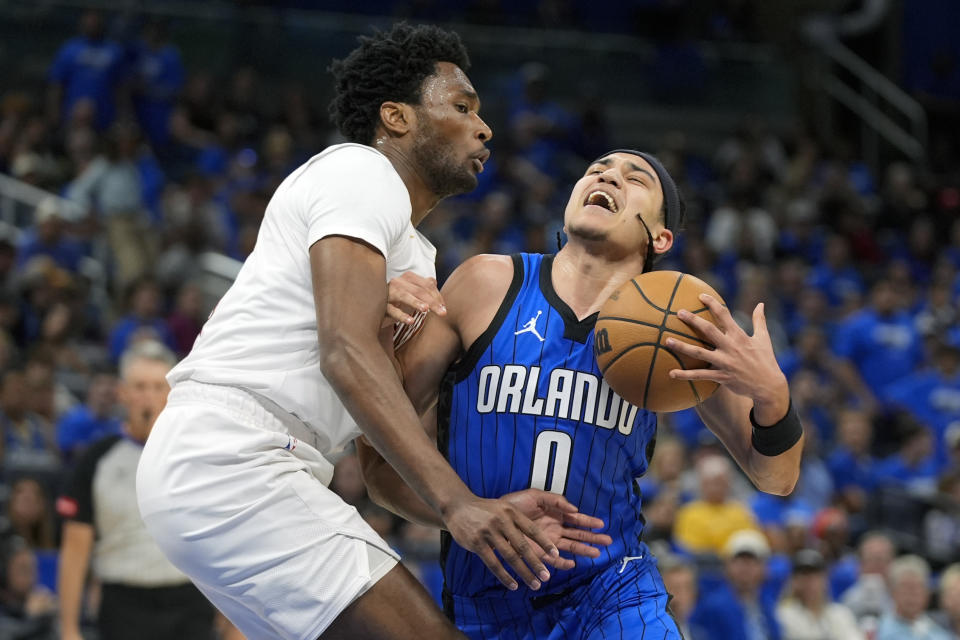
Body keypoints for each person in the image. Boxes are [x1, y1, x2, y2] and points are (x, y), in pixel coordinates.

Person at [136, 23, 585, 640]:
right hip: (233, 455)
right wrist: (460, 503)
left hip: (251, 466)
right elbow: (344, 352)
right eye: (461, 107)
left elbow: (379, 469)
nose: (485, 129)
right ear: (396, 118)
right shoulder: (361, 171)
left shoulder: (417, 260)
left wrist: (486, 514)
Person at [360, 149, 804, 637]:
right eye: (596, 169)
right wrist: (466, 513)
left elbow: (776, 477)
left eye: (634, 179)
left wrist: (772, 395)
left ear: (661, 236)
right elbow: (381, 466)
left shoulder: (686, 320)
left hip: (614, 590)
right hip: (484, 600)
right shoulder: (486, 282)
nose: (609, 176)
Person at [57, 341, 214, 640]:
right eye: (140, 386)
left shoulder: (197, 455)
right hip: (123, 603)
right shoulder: (97, 459)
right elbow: (75, 548)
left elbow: (219, 539)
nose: (149, 396)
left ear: (171, 394)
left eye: (158, 386)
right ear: (122, 393)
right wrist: (68, 628)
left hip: (190, 601)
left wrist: (233, 621)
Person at [690, 529, 782, 640]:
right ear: (726, 566)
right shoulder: (713, 606)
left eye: (752, 562)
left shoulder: (767, 604)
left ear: (764, 568)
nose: (745, 568)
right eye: (739, 561)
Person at [775, 548, 863, 640]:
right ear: (794, 581)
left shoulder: (840, 614)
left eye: (815, 576)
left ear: (825, 579)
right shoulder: (783, 614)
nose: (809, 582)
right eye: (803, 576)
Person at [876, 555, 952, 640]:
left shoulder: (939, 634)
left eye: (917, 588)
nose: (911, 595)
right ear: (892, 592)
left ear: (927, 593)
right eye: (905, 588)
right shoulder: (877, 630)